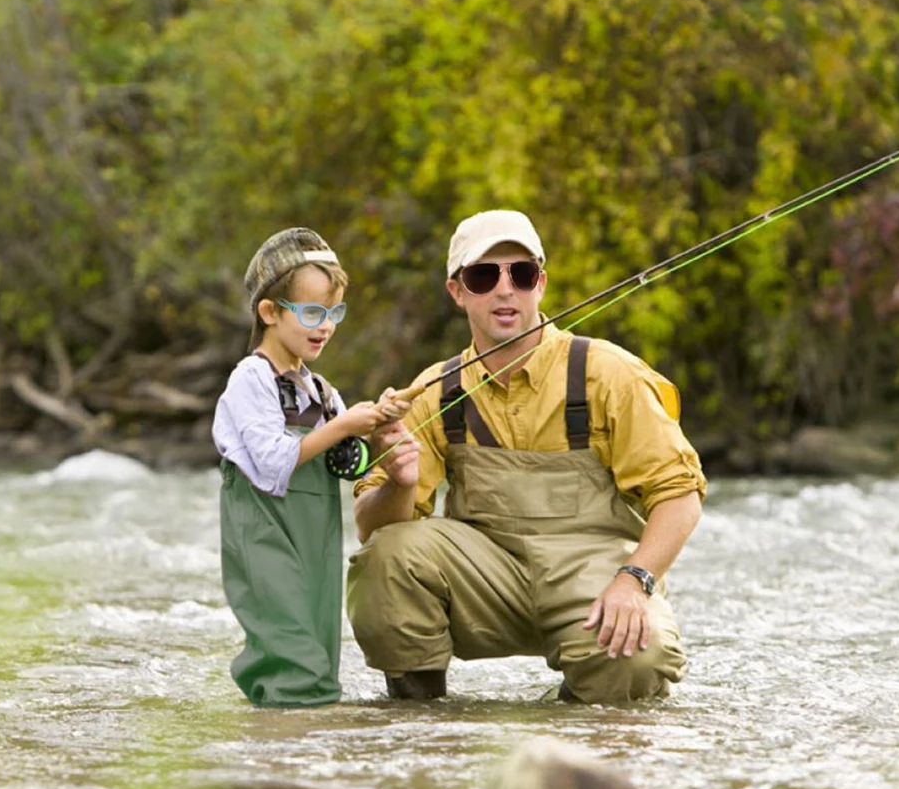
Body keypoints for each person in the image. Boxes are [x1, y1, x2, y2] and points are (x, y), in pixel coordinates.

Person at [347, 210, 706, 704]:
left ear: (541, 283)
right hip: (485, 580)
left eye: (521, 273)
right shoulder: (432, 391)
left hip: (594, 574)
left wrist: (635, 580)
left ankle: (577, 708)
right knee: (386, 557)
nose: (505, 290)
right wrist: (399, 482)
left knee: (638, 657)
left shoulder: (609, 373)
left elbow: (680, 497)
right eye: (483, 276)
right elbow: (371, 528)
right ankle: (422, 724)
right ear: (457, 291)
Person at [213, 227, 406, 708]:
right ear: (270, 312)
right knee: (288, 649)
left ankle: (299, 736)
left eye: (335, 313)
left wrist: (376, 429)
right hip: (264, 533)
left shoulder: (321, 390)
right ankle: (288, 736)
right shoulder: (250, 379)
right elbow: (273, 461)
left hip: (315, 539)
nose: (326, 326)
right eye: (313, 313)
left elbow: (346, 462)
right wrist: (342, 425)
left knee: (319, 650)